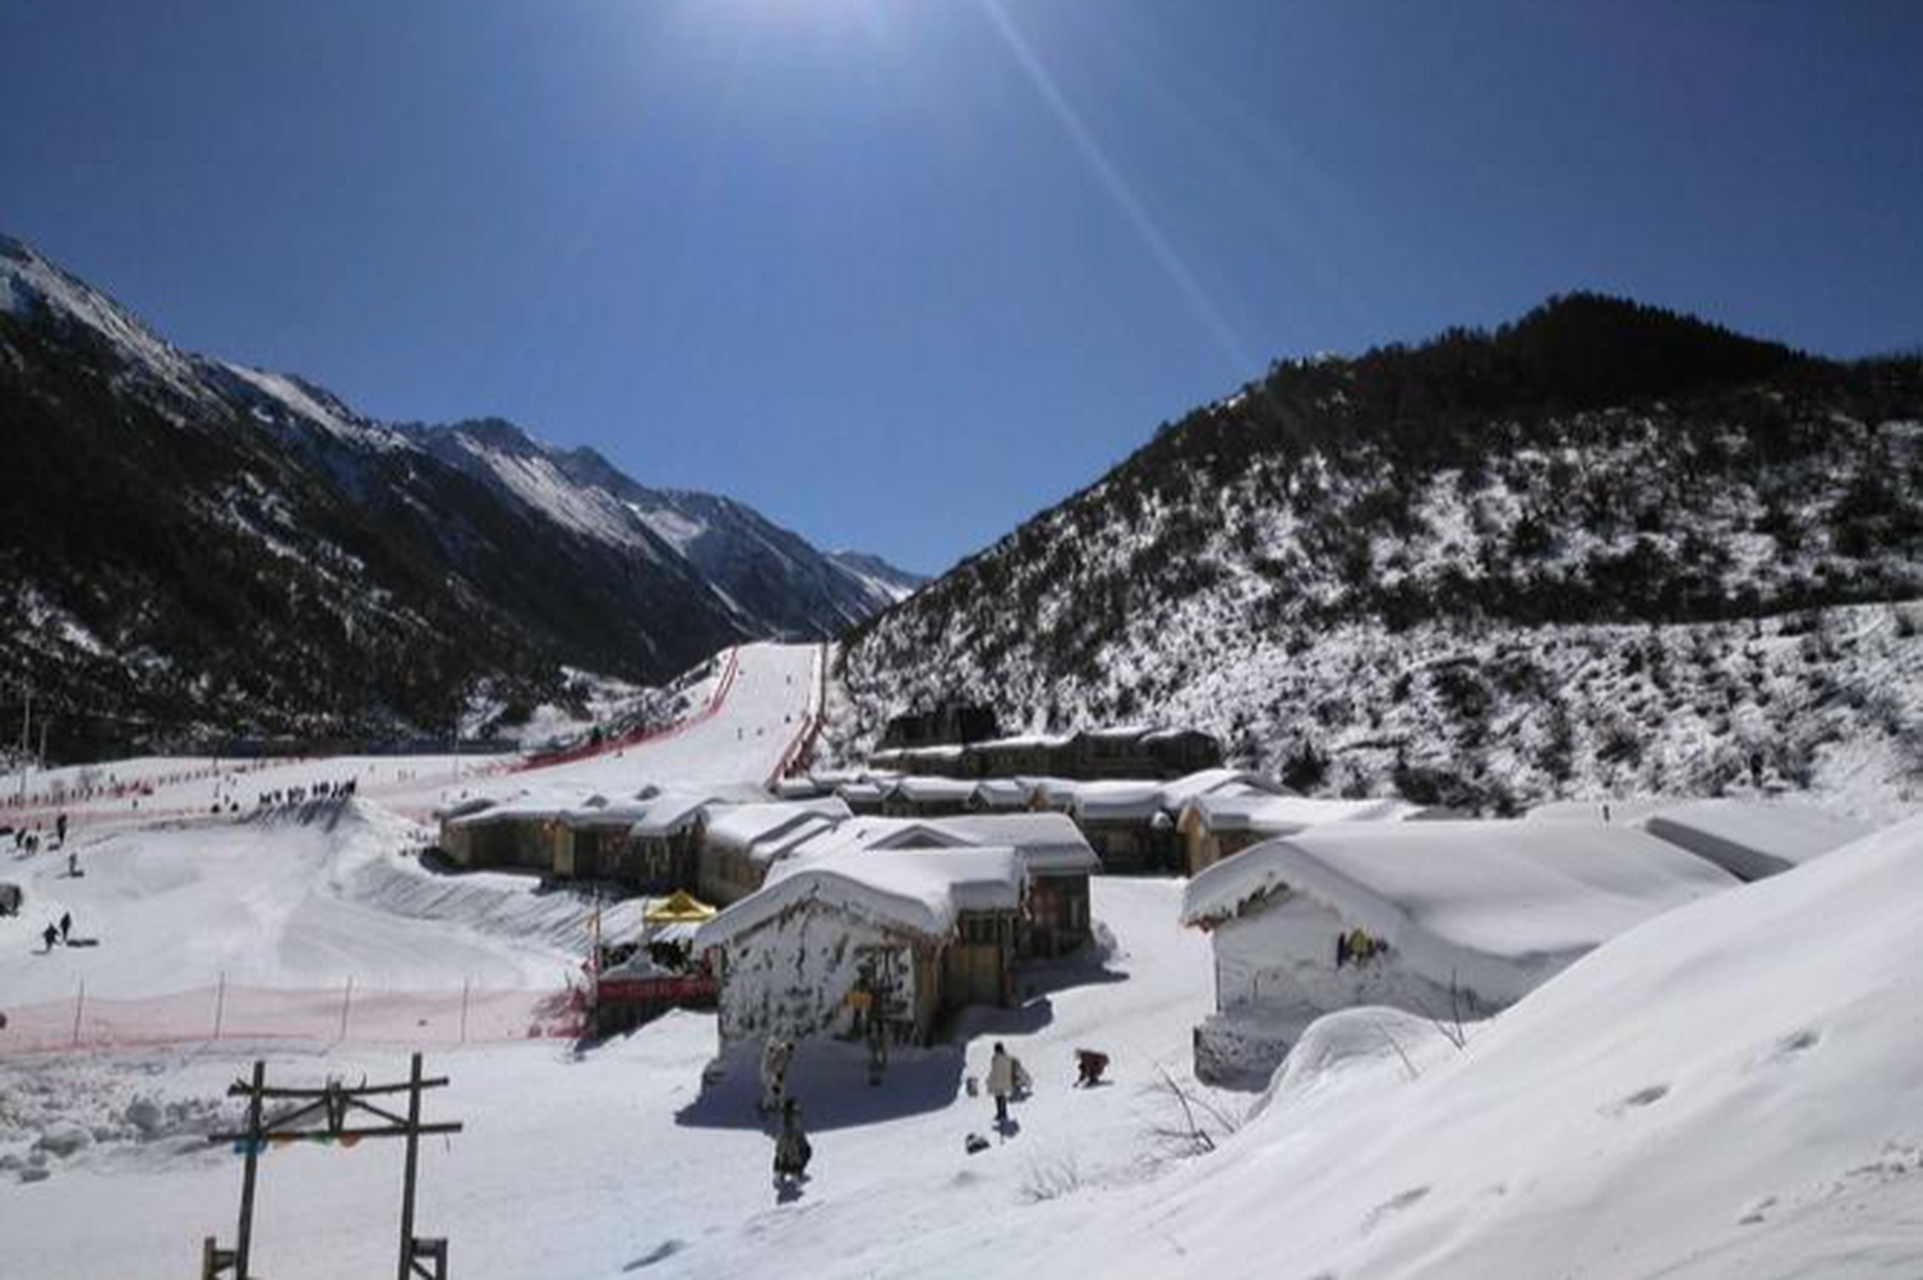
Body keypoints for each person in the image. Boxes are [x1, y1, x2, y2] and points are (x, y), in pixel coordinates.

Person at [772, 1098, 812, 1186]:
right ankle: (793, 1173)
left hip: (789, 1145)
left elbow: (799, 1134)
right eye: (795, 1108)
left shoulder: (790, 1118)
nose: (798, 1110)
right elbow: (791, 1138)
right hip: (790, 1147)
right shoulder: (789, 1121)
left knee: (803, 1151)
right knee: (795, 1154)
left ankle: (782, 1173)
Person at [760, 1036, 794, 1115]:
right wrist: (776, 1077)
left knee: (778, 1090)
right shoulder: (771, 1054)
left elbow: (782, 1050)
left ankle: (779, 1106)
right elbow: (769, 1066)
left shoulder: (782, 1051)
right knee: (776, 1090)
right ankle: (773, 1105)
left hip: (776, 1074)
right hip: (771, 1074)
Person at [987, 1042, 1017, 1124]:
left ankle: (1002, 1113)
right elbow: (994, 1070)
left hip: (999, 1081)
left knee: (1000, 1098)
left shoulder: (999, 1058)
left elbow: (998, 1070)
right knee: (999, 1098)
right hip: (1000, 1081)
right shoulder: (999, 1058)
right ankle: (1001, 1113)